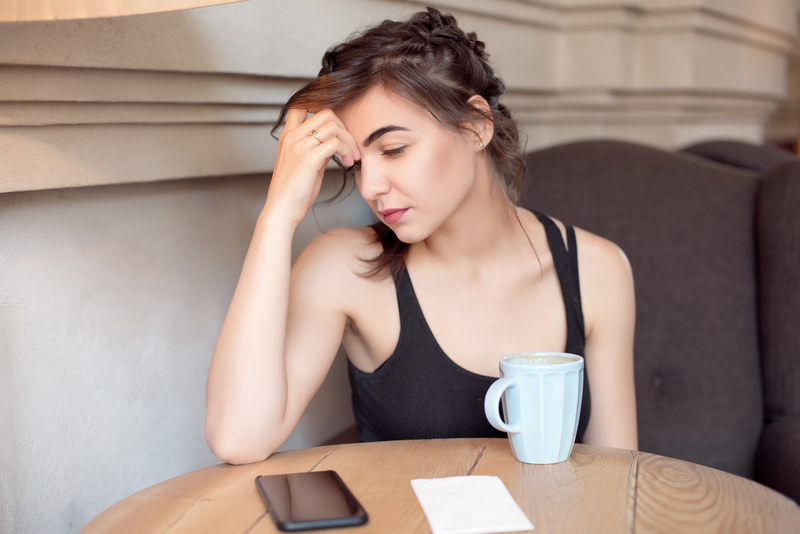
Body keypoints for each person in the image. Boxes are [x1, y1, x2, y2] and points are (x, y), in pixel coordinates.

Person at [205, 7, 638, 465]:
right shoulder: (344, 268)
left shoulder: (595, 269)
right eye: (355, 164)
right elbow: (237, 438)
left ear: (475, 126)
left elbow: (620, 477)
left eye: (393, 149)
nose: (370, 186)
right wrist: (278, 214)